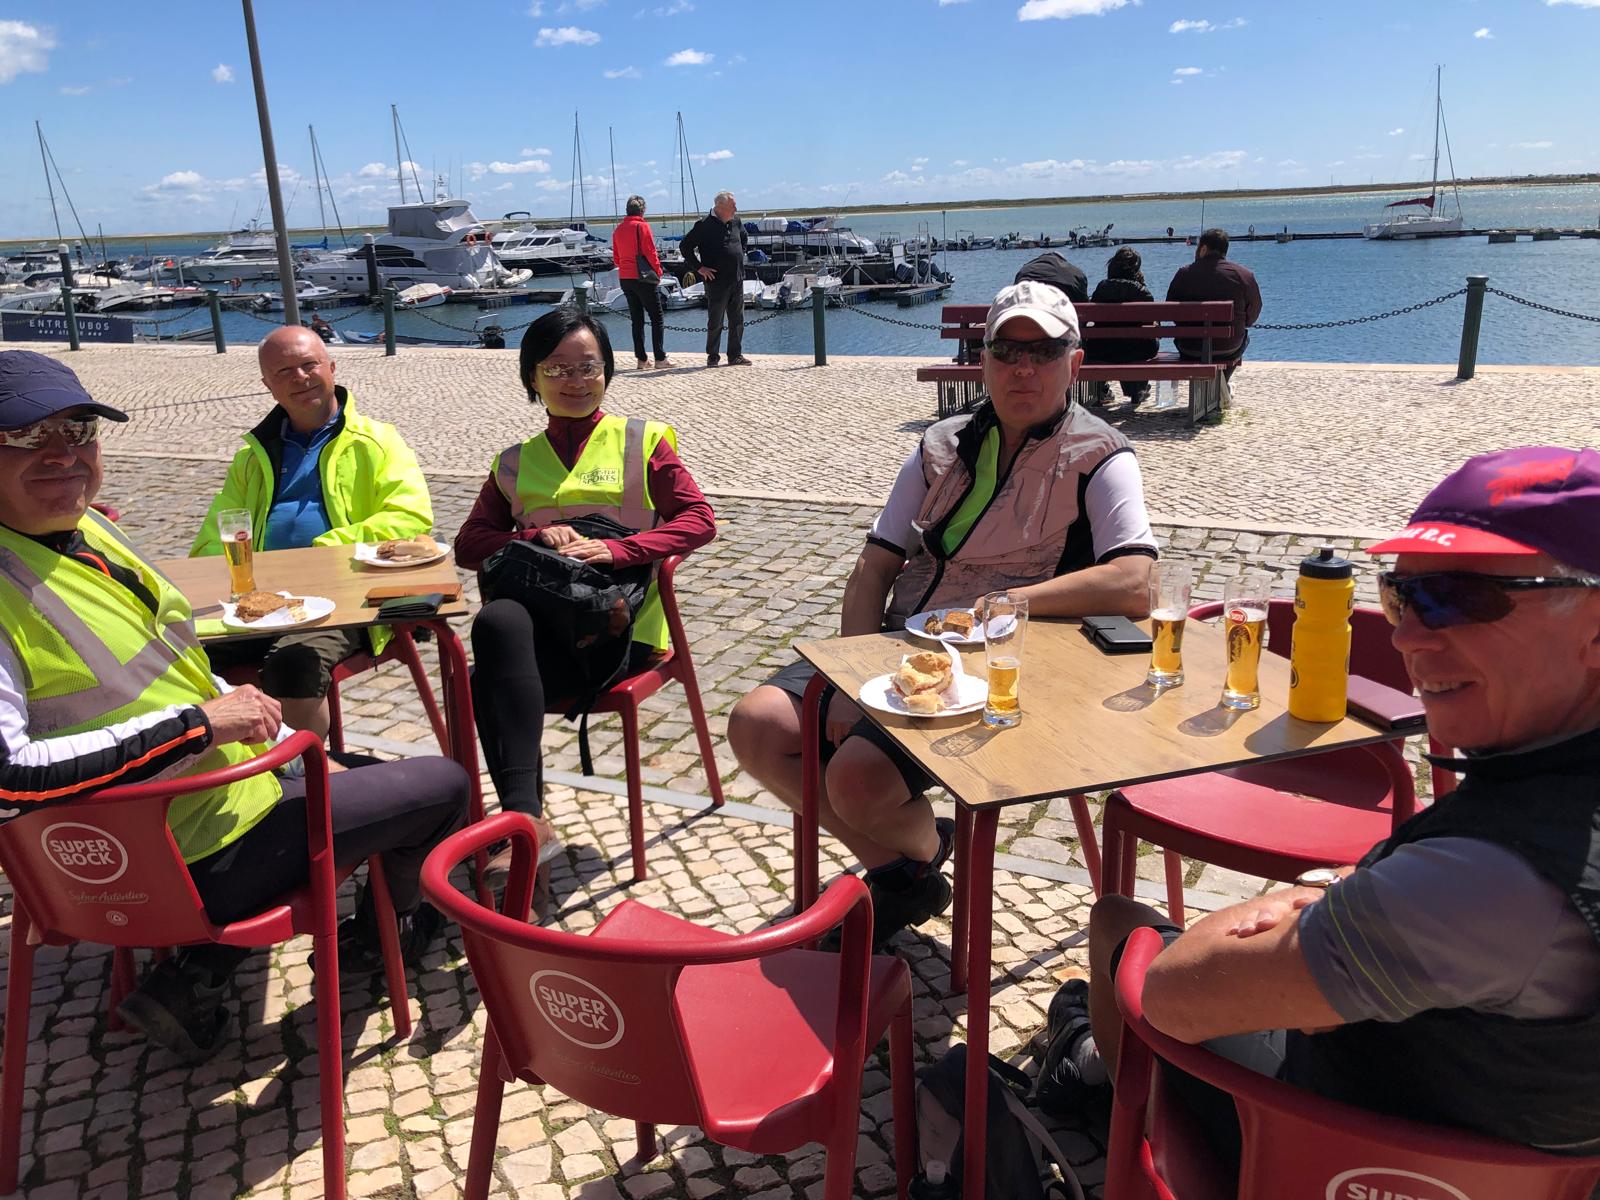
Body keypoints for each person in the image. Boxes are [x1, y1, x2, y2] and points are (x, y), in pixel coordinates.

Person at [1042, 445, 1600, 1164]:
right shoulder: (1540, 820)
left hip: (1348, 1152)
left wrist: (1313, 903)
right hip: (1481, 1117)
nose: (1406, 635)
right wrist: (1347, 897)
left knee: (1122, 923)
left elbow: (1174, 995)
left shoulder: (1491, 884)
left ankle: (1127, 1131)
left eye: (1457, 598)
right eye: (1401, 595)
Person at [0, 350, 468, 1062]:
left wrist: (243, 719)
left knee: (357, 763)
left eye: (79, 430)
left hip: (198, 803)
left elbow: (165, 661)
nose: (63, 454)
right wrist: (199, 725)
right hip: (166, 850)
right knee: (444, 786)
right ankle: (376, 943)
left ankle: (195, 977)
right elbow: (9, 779)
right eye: (30, 436)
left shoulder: (80, 530)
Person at [727, 281, 1157, 948]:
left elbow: (1137, 583)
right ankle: (911, 868)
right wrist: (848, 678)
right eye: (1007, 350)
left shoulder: (1099, 455)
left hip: (1002, 668)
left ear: (1075, 364)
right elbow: (875, 566)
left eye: (1044, 352)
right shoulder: (943, 445)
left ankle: (908, 859)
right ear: (982, 361)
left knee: (858, 780)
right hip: (904, 645)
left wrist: (1016, 602)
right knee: (756, 726)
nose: (1023, 368)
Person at [454, 308, 716, 901]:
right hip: (536, 639)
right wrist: (531, 536)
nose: (575, 380)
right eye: (557, 369)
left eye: (588, 367)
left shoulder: (642, 442)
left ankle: (517, 830)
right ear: (533, 379)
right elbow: (469, 545)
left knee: (489, 671)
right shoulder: (514, 461)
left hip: (619, 634)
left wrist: (622, 551)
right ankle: (527, 823)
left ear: (607, 371)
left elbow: (699, 521)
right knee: (496, 624)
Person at [191, 326, 434, 742]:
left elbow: (410, 517)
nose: (300, 378)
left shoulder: (377, 441)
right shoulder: (251, 457)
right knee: (178, 656)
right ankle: (227, 773)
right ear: (268, 385)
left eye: (309, 365)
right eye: (284, 371)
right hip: (259, 602)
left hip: (341, 597)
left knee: (295, 662)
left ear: (332, 368)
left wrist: (319, 554)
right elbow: (215, 536)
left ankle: (306, 782)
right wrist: (230, 579)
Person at [1164, 228, 1262, 378]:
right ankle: (1222, 382)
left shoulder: (1184, 274)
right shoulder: (1244, 275)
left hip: (1190, 348)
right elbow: (1254, 312)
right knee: (1244, 336)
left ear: (1203, 249)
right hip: (1229, 347)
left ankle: (1217, 386)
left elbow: (1171, 312)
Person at [679, 191, 751, 367]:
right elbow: (685, 246)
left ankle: (735, 355)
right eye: (732, 205)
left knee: (737, 319)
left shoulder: (736, 221)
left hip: (737, 278)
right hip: (716, 281)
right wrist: (699, 268)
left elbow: (744, 238)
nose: (736, 208)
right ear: (720, 207)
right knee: (715, 320)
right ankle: (713, 356)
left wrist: (738, 256)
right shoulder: (704, 225)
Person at [1084, 247, 1161, 410]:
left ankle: (1100, 390)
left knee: (1107, 341)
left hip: (1102, 349)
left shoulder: (1102, 288)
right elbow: (1154, 326)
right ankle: (1137, 390)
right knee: (1138, 342)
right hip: (1138, 350)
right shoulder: (1141, 291)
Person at [611, 194, 675, 371]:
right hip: (643, 277)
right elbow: (650, 252)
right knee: (657, 317)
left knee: (636, 319)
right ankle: (660, 358)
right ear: (643, 210)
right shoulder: (642, 226)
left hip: (625, 277)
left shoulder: (618, 229)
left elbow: (616, 258)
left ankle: (641, 359)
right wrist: (658, 271)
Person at [1014, 250, 1088, 305]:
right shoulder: (1076, 274)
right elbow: (1085, 306)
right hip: (1064, 323)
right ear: (1063, 260)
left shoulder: (1024, 271)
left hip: (1028, 322)